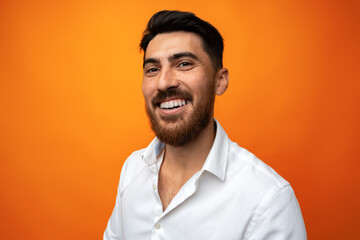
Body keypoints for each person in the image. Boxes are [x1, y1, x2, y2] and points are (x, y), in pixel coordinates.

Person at [104, 10, 306, 240]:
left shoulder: (268, 200)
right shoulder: (132, 170)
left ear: (219, 81)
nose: (163, 82)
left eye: (184, 64)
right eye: (152, 69)